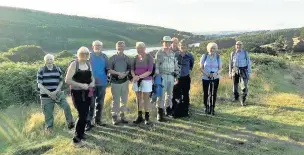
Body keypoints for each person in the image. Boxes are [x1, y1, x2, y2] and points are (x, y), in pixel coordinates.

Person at [37, 54, 74, 134]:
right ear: (45, 61)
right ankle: (49, 130)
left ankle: (71, 125)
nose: (49, 61)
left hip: (58, 93)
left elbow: (61, 82)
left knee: (66, 107)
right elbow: (39, 84)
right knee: (48, 113)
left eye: (51, 59)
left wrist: (56, 91)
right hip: (46, 96)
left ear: (53, 60)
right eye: (48, 59)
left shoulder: (58, 69)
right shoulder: (41, 70)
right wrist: (50, 94)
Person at [65, 46, 95, 146]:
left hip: (87, 92)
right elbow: (67, 80)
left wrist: (92, 83)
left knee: (85, 113)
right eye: (82, 53)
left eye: (87, 53)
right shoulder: (74, 64)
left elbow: (92, 77)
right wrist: (81, 85)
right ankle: (76, 138)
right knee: (81, 114)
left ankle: (81, 133)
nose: (85, 55)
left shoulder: (88, 64)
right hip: (76, 93)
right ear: (78, 54)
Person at [155, 36, 180, 122]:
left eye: (169, 42)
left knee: (170, 95)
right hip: (162, 76)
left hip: (171, 76)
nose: (167, 44)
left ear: (170, 43)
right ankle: (159, 113)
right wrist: (158, 77)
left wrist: (177, 76)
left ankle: (168, 110)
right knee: (161, 95)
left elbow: (175, 65)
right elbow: (156, 66)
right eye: (165, 42)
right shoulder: (159, 53)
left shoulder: (173, 53)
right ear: (163, 43)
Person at [86, 40, 109, 131]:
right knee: (90, 103)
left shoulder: (104, 56)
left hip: (102, 83)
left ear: (101, 47)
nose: (98, 47)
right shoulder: (89, 56)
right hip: (90, 84)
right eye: (96, 45)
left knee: (100, 103)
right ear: (93, 47)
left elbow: (107, 69)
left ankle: (98, 120)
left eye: (99, 45)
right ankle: (88, 122)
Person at [109, 41, 131, 125]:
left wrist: (125, 74)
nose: (120, 47)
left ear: (124, 47)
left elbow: (129, 69)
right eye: (119, 46)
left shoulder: (127, 58)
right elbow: (109, 70)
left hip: (125, 82)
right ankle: (114, 117)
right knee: (116, 100)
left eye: (122, 46)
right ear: (116, 47)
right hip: (115, 82)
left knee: (124, 100)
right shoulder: (112, 58)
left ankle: (122, 116)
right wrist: (118, 74)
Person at [131, 42, 153, 125]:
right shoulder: (135, 57)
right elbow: (132, 69)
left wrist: (139, 77)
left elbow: (150, 71)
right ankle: (139, 116)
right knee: (138, 98)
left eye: (141, 48)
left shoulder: (149, 57)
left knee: (146, 99)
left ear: (145, 48)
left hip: (146, 80)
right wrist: (134, 77)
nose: (139, 49)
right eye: (138, 48)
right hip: (136, 80)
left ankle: (147, 117)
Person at [172, 39, 194, 118]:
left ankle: (185, 111)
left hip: (186, 78)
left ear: (187, 47)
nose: (183, 48)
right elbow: (173, 65)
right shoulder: (175, 55)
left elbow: (191, 65)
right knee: (176, 95)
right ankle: (177, 112)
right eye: (181, 46)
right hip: (177, 78)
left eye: (184, 46)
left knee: (186, 95)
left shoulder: (190, 56)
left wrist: (187, 71)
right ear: (179, 46)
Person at [200, 43, 222, 115]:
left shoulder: (218, 57)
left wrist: (216, 74)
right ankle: (206, 107)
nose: (212, 50)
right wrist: (207, 74)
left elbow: (220, 68)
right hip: (205, 77)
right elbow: (201, 68)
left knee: (213, 93)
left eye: (214, 48)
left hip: (215, 77)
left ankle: (212, 108)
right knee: (206, 93)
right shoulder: (204, 56)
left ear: (216, 49)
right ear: (208, 49)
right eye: (211, 48)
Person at [229, 41, 252, 106]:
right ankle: (236, 97)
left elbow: (249, 63)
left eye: (239, 45)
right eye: (237, 45)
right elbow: (230, 64)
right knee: (235, 85)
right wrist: (230, 73)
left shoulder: (245, 53)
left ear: (241, 46)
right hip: (235, 70)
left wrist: (249, 72)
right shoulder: (232, 53)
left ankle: (243, 100)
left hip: (243, 70)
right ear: (235, 46)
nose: (238, 46)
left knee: (244, 86)